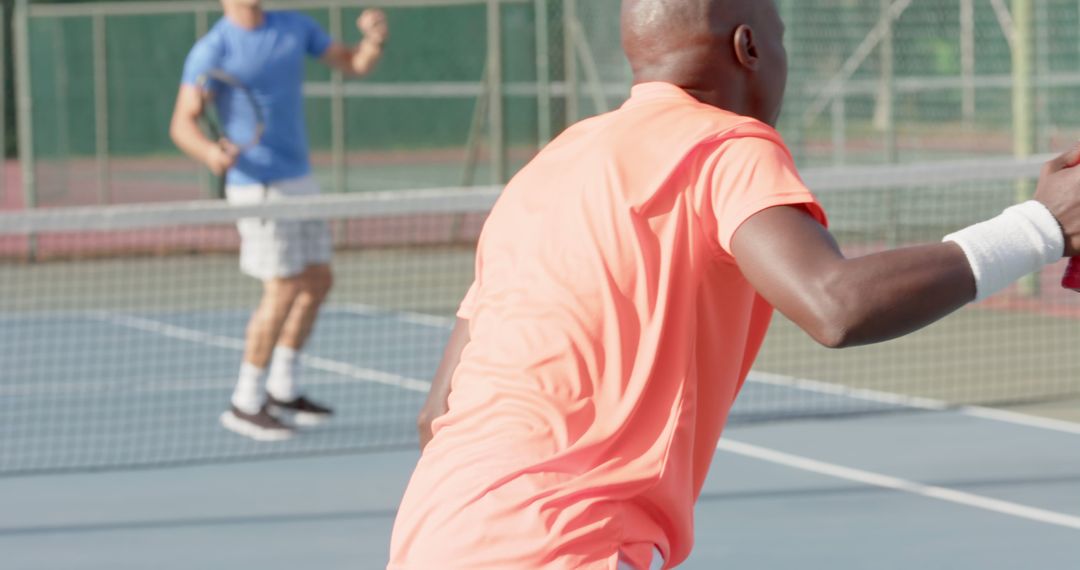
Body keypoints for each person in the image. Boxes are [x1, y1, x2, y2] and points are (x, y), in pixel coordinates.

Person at [388, 0, 1080, 568]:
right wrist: (1041, 226)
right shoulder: (724, 145)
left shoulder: (545, 168)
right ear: (748, 47)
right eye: (781, 42)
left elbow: (437, 414)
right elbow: (834, 304)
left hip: (434, 531)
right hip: (570, 545)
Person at [169, 0, 389, 441]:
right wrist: (211, 153)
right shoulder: (213, 50)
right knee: (284, 285)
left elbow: (355, 64)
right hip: (258, 188)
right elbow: (182, 124)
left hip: (299, 179)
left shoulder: (294, 28)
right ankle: (245, 401)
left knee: (317, 279)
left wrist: (374, 40)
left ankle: (283, 388)